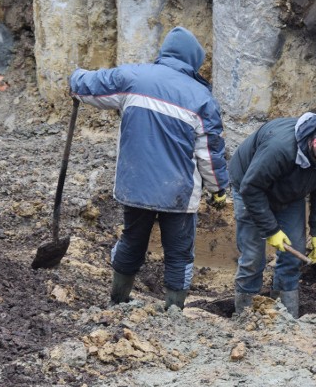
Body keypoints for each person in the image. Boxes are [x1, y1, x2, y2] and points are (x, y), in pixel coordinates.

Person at [69, 27, 229, 309]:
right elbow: (210, 154)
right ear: (193, 61)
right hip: (178, 194)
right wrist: (218, 191)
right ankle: (173, 313)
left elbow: (87, 86)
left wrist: (75, 78)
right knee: (179, 253)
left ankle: (118, 300)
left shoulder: (133, 77)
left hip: (135, 186)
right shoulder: (202, 98)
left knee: (132, 240)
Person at [228, 112, 316, 317]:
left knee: (293, 254)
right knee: (253, 258)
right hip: (250, 186)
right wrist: (271, 230)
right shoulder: (280, 148)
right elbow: (251, 189)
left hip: (290, 191)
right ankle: (245, 315)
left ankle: (286, 317)